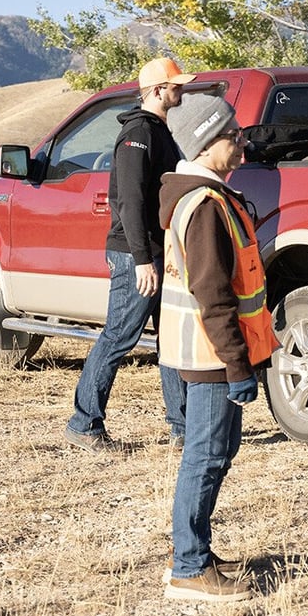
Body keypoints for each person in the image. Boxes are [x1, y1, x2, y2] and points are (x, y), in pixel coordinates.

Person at [156, 93, 279, 602]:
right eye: (233, 135)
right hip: (210, 357)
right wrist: (236, 365)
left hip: (210, 354)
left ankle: (196, 552)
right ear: (205, 144)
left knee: (216, 453)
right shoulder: (205, 207)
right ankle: (188, 568)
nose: (242, 141)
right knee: (205, 457)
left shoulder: (208, 197)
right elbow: (214, 295)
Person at [65, 57, 194, 453]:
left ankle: (183, 429)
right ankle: (84, 424)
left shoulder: (159, 131)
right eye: (175, 85)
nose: (182, 90)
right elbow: (131, 202)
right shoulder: (138, 134)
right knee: (119, 337)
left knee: (170, 340)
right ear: (157, 91)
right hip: (136, 256)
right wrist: (141, 259)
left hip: (159, 252)